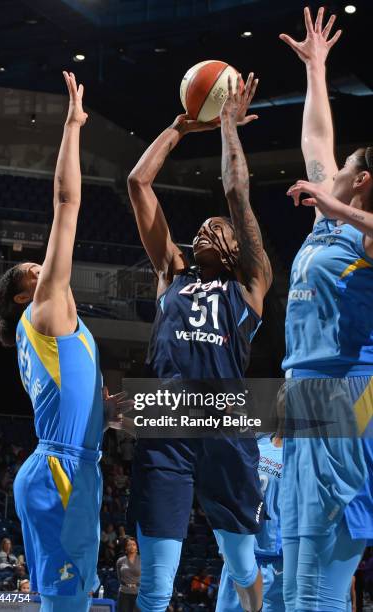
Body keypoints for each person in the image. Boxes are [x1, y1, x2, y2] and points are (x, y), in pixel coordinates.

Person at [127, 73, 272, 612]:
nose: (208, 230)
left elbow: (236, 191)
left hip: (226, 423)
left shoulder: (251, 284)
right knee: (156, 578)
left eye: (221, 228)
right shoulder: (172, 272)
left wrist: (228, 126)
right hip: (166, 418)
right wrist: (178, 128)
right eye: (203, 227)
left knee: (240, 560)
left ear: (239, 249)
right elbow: (138, 184)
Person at [0, 72, 129, 612]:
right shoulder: (47, 310)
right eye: (35, 269)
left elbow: (70, 396)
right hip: (61, 471)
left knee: (66, 600)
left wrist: (105, 410)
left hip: (70, 466)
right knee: (66, 604)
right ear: (29, 296)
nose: (44, 266)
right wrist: (73, 128)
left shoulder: (49, 328)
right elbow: (66, 204)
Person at [279, 6, 373, 610]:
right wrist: (317, 69)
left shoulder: (360, 233)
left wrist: (334, 208)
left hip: (345, 393)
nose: (329, 170)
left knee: (317, 582)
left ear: (361, 182)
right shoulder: (325, 226)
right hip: (303, 393)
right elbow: (317, 137)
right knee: (296, 581)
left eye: (343, 168)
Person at [217, 428, 284, 611]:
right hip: (241, 556)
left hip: (277, 563)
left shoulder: (306, 455)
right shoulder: (255, 442)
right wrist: (224, 545)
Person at [116, 538, 141, 612]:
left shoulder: (142, 560)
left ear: (137, 547)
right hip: (124, 592)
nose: (132, 546)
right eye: (129, 545)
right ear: (126, 547)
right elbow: (119, 577)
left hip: (138, 593)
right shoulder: (120, 561)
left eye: (134, 544)